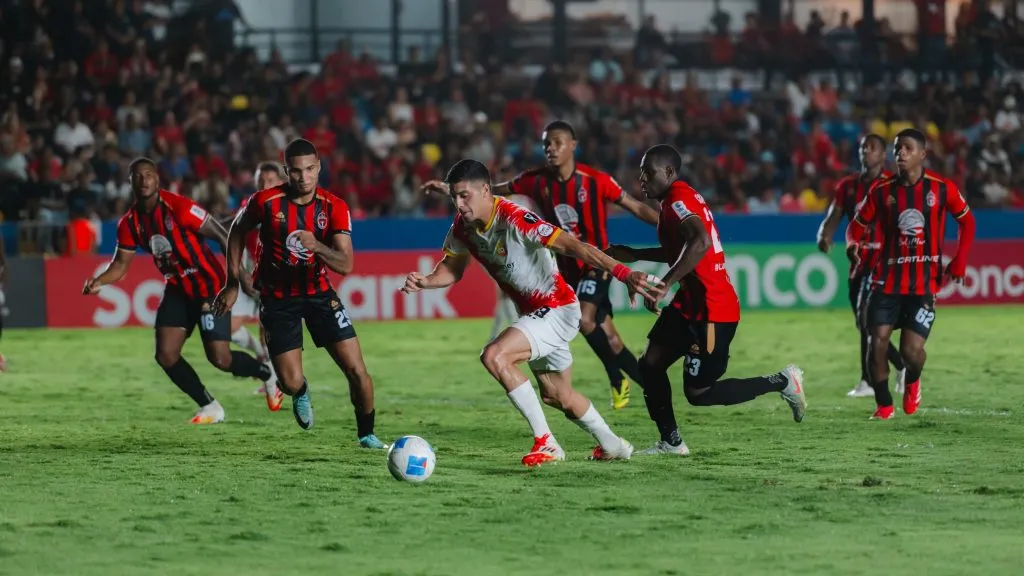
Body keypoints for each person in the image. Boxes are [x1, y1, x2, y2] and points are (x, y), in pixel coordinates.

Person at [403, 159, 660, 466]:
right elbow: (452, 269)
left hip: (557, 309)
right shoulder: (462, 227)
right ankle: (613, 445)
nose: (458, 204)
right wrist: (427, 281)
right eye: (454, 197)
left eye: (464, 195)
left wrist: (624, 273)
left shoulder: (515, 218)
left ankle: (546, 442)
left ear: (485, 190)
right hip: (535, 316)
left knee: (495, 356)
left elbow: (574, 246)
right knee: (556, 395)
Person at [424, 121, 660, 411]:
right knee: (610, 339)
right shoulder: (534, 180)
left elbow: (636, 206)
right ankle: (652, 387)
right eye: (547, 143)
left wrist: (669, 225)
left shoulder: (596, 180)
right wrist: (450, 189)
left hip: (595, 262)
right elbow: (489, 190)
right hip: (564, 269)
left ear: (573, 145)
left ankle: (616, 378)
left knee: (585, 319)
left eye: (557, 142)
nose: (551, 148)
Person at [606, 145, 806, 456]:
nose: (641, 178)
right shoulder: (673, 202)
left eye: (648, 172)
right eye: (641, 172)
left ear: (669, 172)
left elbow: (700, 242)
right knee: (650, 364)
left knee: (699, 393)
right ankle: (671, 442)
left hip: (713, 312)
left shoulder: (678, 201)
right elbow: (682, 250)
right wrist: (634, 254)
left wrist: (664, 284)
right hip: (689, 304)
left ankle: (782, 381)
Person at [212, 139, 385, 449]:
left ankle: (367, 434)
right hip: (277, 298)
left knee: (357, 370)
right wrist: (232, 283)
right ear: (286, 171)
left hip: (319, 294)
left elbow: (346, 264)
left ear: (318, 168)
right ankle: (301, 390)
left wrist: (317, 245)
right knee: (289, 383)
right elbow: (236, 230)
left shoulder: (334, 206)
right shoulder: (265, 201)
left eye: (309, 169)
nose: (303, 177)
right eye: (296, 171)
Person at [83, 158, 280, 423]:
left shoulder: (179, 207)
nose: (144, 180)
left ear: (157, 179)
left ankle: (267, 373)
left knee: (220, 358)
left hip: (210, 287)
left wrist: (240, 277)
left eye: (148, 174)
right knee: (165, 354)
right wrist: (99, 281)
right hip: (177, 289)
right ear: (130, 181)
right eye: (138, 176)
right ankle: (210, 406)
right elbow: (120, 265)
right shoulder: (129, 224)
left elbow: (222, 234)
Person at [846, 129, 976, 420]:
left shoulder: (942, 189)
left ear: (922, 154)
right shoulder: (881, 191)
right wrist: (853, 244)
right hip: (885, 282)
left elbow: (967, 222)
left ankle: (913, 381)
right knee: (875, 342)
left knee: (911, 352)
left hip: (922, 286)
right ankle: (884, 405)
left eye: (907, 148)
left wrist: (960, 260)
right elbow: (856, 225)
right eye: (897, 148)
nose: (900, 153)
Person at [816, 134, 906, 398]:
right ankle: (889, 371)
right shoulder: (847, 186)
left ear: (882, 155)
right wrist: (824, 235)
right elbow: (834, 215)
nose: (866, 151)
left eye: (872, 147)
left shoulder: (894, 185)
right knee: (863, 323)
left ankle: (878, 377)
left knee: (866, 318)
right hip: (858, 261)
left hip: (884, 261)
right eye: (863, 147)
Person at [224, 162, 285, 395]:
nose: (264, 185)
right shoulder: (249, 205)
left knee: (267, 329)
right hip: (249, 275)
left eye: (269, 181)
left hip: (276, 277)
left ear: (280, 183)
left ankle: (274, 381)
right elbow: (233, 232)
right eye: (260, 181)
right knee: (228, 328)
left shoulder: (288, 207)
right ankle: (261, 356)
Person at [489, 193, 537, 340]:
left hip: (519, 253)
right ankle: (509, 331)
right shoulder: (501, 202)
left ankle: (507, 332)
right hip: (506, 252)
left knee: (509, 295)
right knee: (506, 295)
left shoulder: (520, 200)